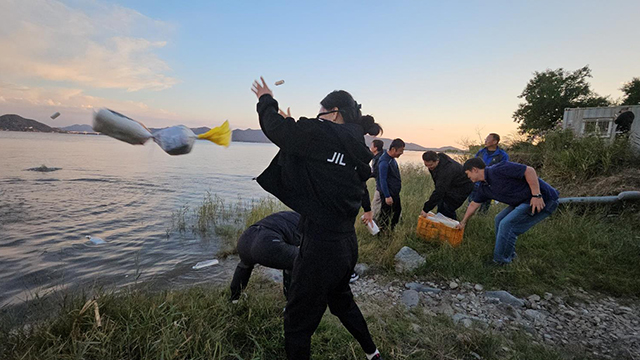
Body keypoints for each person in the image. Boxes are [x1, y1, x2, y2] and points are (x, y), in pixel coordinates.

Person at [252, 77, 383, 360]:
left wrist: (266, 99)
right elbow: (323, 159)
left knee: (297, 325)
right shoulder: (358, 147)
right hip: (346, 245)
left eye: (320, 114)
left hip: (320, 248)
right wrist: (297, 130)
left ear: (334, 112)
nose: (317, 119)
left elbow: (275, 128)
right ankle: (373, 353)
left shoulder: (323, 134)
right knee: (341, 300)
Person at [458, 158, 560, 265]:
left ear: (474, 169)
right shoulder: (484, 187)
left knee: (507, 224)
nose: (468, 178)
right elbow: (473, 204)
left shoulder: (499, 169)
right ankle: (508, 254)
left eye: (467, 174)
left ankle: (501, 262)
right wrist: (463, 222)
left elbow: (529, 170)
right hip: (523, 201)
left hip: (544, 199)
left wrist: (537, 195)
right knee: (499, 219)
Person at [229, 211, 301, 302]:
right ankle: (290, 303)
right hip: (266, 242)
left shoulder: (288, 214)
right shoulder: (310, 223)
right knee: (297, 261)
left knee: (245, 264)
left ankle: (234, 299)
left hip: (246, 238)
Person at [420, 151, 474, 220]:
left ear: (437, 160)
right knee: (441, 203)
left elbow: (440, 190)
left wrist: (426, 209)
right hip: (451, 184)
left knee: (447, 207)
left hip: (463, 187)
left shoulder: (447, 169)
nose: (429, 167)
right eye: (426, 165)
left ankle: (453, 227)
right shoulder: (434, 165)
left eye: (430, 165)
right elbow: (438, 185)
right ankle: (441, 223)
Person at [472, 133, 510, 212]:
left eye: (488, 139)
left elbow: (503, 171)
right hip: (476, 184)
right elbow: (473, 165)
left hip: (489, 185)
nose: (485, 141)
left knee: (484, 208)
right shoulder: (481, 153)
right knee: (471, 205)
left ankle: (481, 221)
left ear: (495, 141)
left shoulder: (502, 155)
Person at [377, 138, 405, 231]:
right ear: (393, 149)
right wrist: (387, 196)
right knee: (385, 214)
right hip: (388, 193)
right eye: (400, 151)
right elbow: (382, 180)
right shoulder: (384, 162)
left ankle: (392, 229)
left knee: (397, 211)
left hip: (394, 193)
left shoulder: (392, 159)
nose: (402, 153)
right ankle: (382, 233)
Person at [369, 139, 384, 220]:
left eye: (372, 145)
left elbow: (376, 173)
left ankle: (372, 220)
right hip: (381, 185)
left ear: (375, 148)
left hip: (380, 185)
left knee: (375, 203)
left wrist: (365, 175)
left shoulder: (378, 158)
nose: (370, 147)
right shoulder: (380, 156)